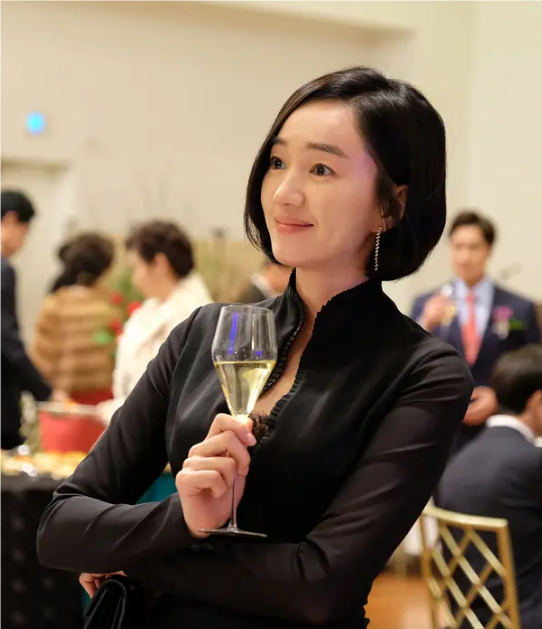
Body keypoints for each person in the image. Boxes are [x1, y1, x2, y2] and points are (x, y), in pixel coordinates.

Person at [37, 67, 473, 628]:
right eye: (277, 162)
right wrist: (182, 520)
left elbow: (320, 586)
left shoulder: (422, 373)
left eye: (321, 168)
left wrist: (135, 552)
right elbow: (59, 527)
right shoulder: (204, 331)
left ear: (389, 206)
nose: (285, 192)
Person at [411, 211, 541, 454]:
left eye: (473, 247)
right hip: (442, 425)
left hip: (499, 425)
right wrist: (425, 322)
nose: (464, 256)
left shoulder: (519, 308)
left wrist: (499, 397)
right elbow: (408, 363)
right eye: (458, 247)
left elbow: (534, 367)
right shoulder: (426, 304)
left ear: (488, 249)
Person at [439, 345, 542, 629]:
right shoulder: (532, 462)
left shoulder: (458, 461)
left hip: (466, 616)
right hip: (524, 616)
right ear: (538, 401)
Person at [96, 220, 213, 423]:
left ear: (159, 263)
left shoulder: (192, 316)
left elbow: (169, 393)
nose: (135, 279)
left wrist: (118, 411)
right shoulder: (152, 309)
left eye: (137, 267)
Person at [31, 233, 118, 451]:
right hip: (104, 411)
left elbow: (40, 359)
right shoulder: (111, 304)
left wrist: (53, 390)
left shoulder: (55, 303)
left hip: (63, 408)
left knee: (61, 469)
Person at [0, 190, 62, 450]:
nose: (23, 241)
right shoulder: (3, 270)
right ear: (10, 221)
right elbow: (7, 341)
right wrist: (45, 392)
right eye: (25, 231)